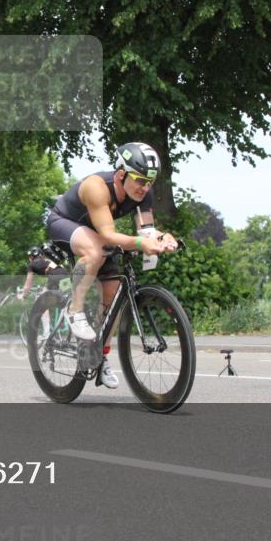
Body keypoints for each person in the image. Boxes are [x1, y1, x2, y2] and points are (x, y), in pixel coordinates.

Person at [46, 142, 179, 389]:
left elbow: (146, 231)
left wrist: (162, 237)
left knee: (113, 293)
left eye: (150, 181)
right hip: (64, 223)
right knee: (96, 250)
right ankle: (74, 309)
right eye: (140, 180)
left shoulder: (143, 194)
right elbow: (107, 236)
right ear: (121, 174)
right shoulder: (97, 188)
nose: (145, 187)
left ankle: (100, 354)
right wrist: (141, 243)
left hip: (95, 232)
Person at [21, 246, 69, 339]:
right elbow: (57, 271)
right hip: (66, 276)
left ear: (31, 257)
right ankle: (65, 322)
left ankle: (46, 333)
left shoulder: (31, 265)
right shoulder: (49, 261)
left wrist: (24, 295)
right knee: (64, 303)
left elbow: (28, 284)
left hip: (55, 278)